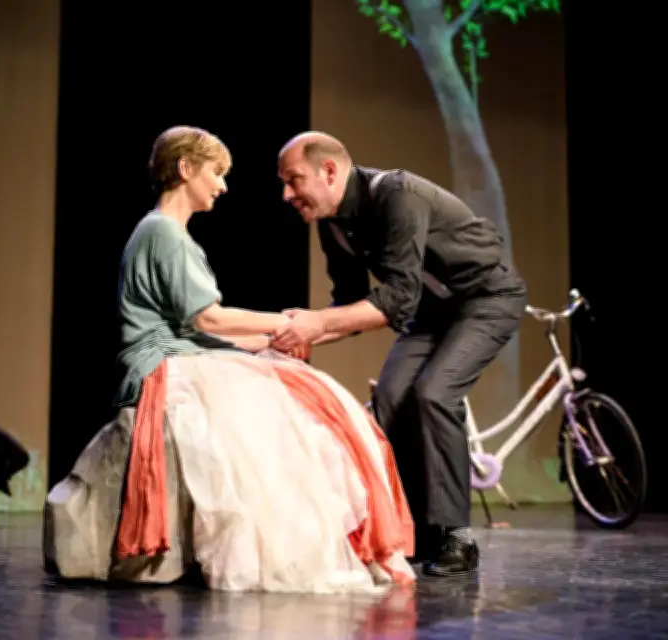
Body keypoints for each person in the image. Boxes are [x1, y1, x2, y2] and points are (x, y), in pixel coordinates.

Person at [43, 126, 416, 594]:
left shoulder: (169, 233)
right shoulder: (163, 233)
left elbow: (197, 329)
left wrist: (270, 340)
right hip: (162, 365)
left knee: (305, 387)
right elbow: (210, 320)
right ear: (185, 169)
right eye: (216, 173)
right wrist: (285, 323)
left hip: (183, 352)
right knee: (281, 405)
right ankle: (294, 542)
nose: (222, 185)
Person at [273, 131, 528, 577]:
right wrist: (300, 334)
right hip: (431, 312)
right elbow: (349, 304)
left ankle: (457, 536)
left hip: (486, 298)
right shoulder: (332, 224)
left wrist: (316, 325)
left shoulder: (396, 194)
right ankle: (418, 532)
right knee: (390, 396)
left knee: (434, 392)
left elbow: (396, 299)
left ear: (328, 170)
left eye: (294, 180)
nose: (287, 194)